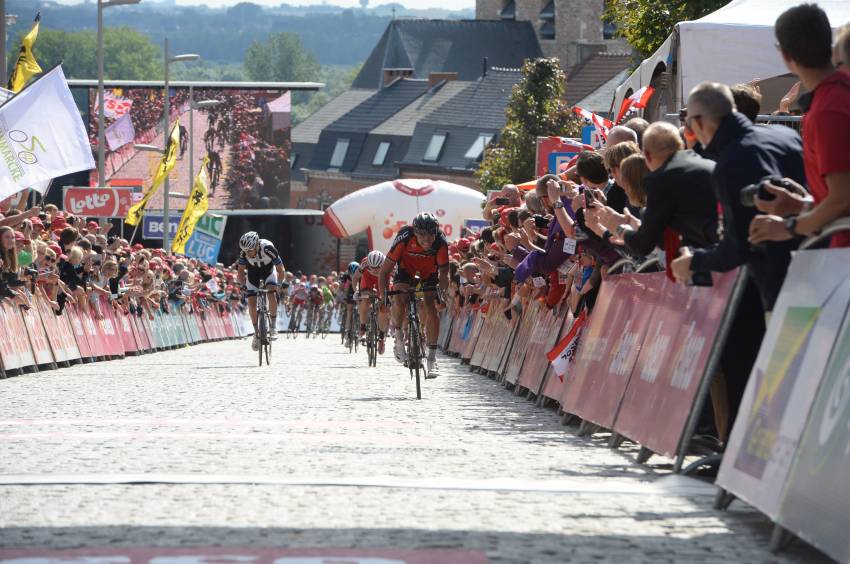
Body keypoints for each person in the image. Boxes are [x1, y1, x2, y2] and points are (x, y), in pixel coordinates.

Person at [671, 81, 805, 312]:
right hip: (827, 262)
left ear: (700, 121)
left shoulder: (729, 162)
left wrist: (693, 262)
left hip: (785, 289)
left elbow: (737, 246)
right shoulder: (785, 135)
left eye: (688, 122)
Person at [748, 3, 850, 248]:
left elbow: (842, 199)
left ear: (784, 55)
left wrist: (787, 226)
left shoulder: (828, 109)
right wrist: (800, 205)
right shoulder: (837, 94)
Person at [379, 212, 449, 377]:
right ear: (415, 233)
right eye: (421, 237)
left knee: (431, 307)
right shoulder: (405, 236)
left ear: (435, 233)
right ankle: (398, 337)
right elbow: (384, 273)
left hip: (429, 271)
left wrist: (442, 292)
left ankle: (431, 358)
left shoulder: (440, 242)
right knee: (399, 299)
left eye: (430, 237)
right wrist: (384, 298)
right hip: (405, 269)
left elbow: (444, 273)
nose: (426, 241)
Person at [236, 231, 286, 351]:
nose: (247, 253)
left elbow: (281, 269)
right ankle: (256, 333)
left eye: (249, 251)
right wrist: (243, 286)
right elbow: (241, 272)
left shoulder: (268, 248)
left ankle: (273, 326)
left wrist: (278, 285)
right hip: (253, 272)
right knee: (251, 301)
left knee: (271, 293)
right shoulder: (244, 253)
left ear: (257, 246)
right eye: (245, 251)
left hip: (268, 270)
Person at [352, 250, 390, 355]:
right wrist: (356, 291)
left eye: (377, 267)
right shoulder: (364, 264)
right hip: (367, 282)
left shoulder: (388, 263)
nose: (374, 270)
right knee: (364, 301)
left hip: (382, 281)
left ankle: (381, 337)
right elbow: (355, 278)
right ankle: (363, 328)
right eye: (372, 267)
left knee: (383, 308)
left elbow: (394, 280)